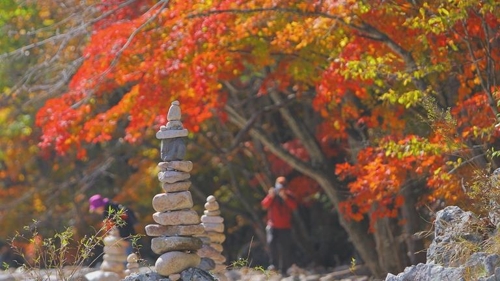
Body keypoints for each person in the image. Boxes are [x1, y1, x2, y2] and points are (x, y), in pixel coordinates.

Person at [261, 176, 298, 277]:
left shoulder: (289, 195)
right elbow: (264, 205)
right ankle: (273, 265)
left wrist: (285, 197)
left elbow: (294, 206)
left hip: (285, 226)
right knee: (271, 243)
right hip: (273, 225)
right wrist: (270, 196)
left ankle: (284, 270)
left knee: (285, 248)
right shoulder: (272, 195)